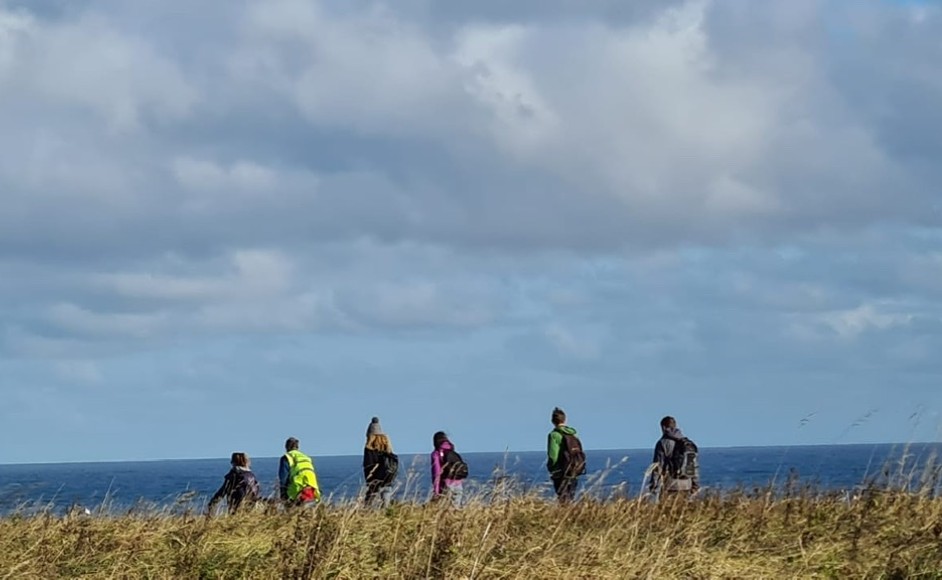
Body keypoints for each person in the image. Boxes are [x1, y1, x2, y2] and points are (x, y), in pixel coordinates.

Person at [649, 416, 700, 496]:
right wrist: (695, 485)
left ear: (663, 427)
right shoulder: (688, 443)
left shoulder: (662, 443)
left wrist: (654, 486)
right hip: (687, 485)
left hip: (670, 485)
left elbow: (658, 467)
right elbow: (694, 466)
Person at [546, 407, 586, 504]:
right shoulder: (573, 434)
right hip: (574, 469)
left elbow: (553, 455)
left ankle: (564, 517)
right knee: (570, 497)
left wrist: (551, 468)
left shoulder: (554, 435)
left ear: (552, 421)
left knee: (562, 499)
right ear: (565, 419)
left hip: (560, 471)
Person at [363, 417, 398, 505]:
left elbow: (368, 466)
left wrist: (369, 481)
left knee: (368, 507)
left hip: (374, 483)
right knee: (386, 507)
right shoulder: (387, 447)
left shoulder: (369, 449)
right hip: (388, 481)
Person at [279, 437, 321, 505]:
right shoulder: (306, 457)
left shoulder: (287, 457)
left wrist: (283, 495)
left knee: (291, 510)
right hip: (312, 489)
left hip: (297, 488)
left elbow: (283, 478)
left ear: (286, 447)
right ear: (297, 447)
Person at [431, 431, 466, 506]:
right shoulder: (451, 450)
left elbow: (437, 473)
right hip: (458, 484)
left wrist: (436, 492)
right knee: (456, 510)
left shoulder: (436, 454)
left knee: (444, 510)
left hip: (446, 485)